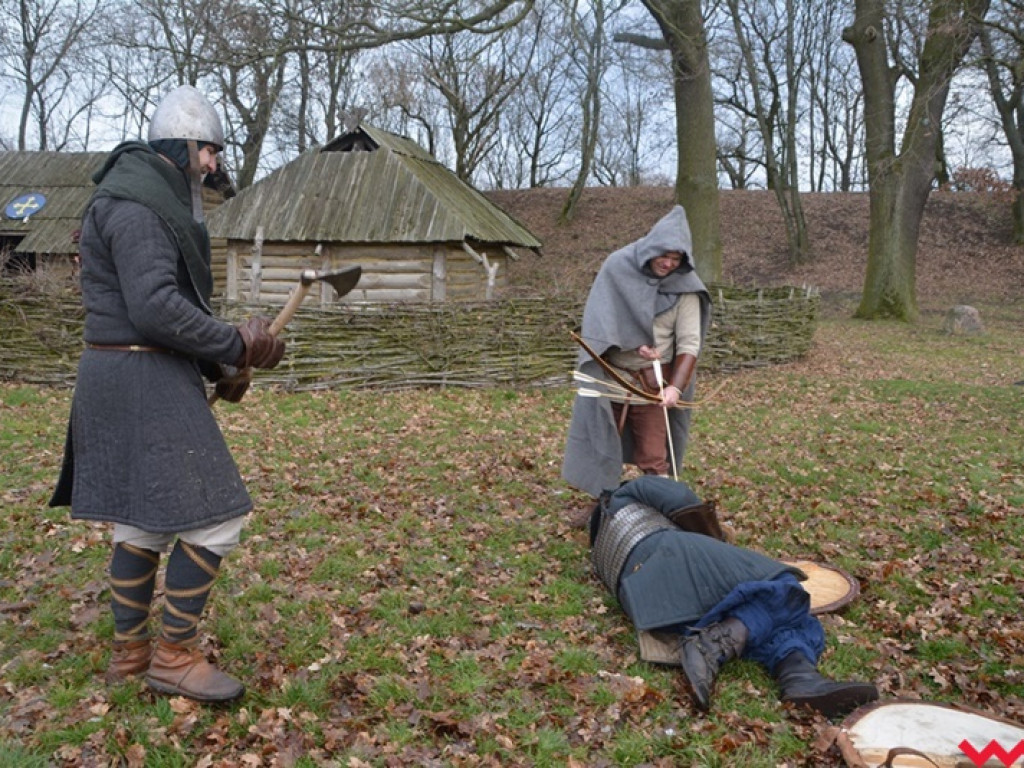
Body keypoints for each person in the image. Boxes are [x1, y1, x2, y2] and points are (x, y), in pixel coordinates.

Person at [49, 84, 285, 703]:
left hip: (126, 371)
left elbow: (163, 307)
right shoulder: (138, 205)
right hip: (140, 374)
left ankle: (130, 653)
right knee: (218, 515)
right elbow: (155, 308)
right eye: (208, 149)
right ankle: (174, 657)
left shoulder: (136, 196)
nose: (213, 163)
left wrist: (224, 359)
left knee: (141, 518)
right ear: (181, 146)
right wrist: (234, 342)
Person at [588, 476, 879, 718]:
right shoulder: (630, 490)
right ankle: (710, 646)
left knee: (758, 617)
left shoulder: (601, 534)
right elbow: (682, 500)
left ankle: (800, 678)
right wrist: (719, 540)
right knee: (785, 589)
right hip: (668, 555)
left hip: (646, 602)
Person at [562, 205, 712, 498]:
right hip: (610, 378)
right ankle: (604, 506)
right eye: (663, 255)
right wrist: (629, 342)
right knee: (601, 450)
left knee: (654, 455)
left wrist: (676, 388)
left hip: (652, 385)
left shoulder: (686, 289)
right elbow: (601, 319)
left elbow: (689, 342)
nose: (668, 264)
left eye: (676, 258)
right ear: (651, 248)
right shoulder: (618, 267)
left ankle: (663, 505)